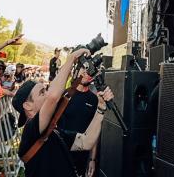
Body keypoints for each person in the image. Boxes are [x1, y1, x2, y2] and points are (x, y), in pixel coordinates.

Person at [15, 48, 114, 177]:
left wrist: (100, 108)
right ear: (28, 106)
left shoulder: (54, 132)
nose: (47, 94)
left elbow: (86, 142)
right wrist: (71, 58)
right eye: (42, 93)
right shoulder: (30, 131)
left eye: (45, 90)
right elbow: (53, 97)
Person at [57, 68, 100, 177]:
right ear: (77, 71)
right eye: (84, 69)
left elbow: (94, 131)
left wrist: (92, 159)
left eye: (91, 71)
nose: (87, 73)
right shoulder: (65, 94)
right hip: (61, 154)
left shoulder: (94, 99)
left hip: (82, 157)